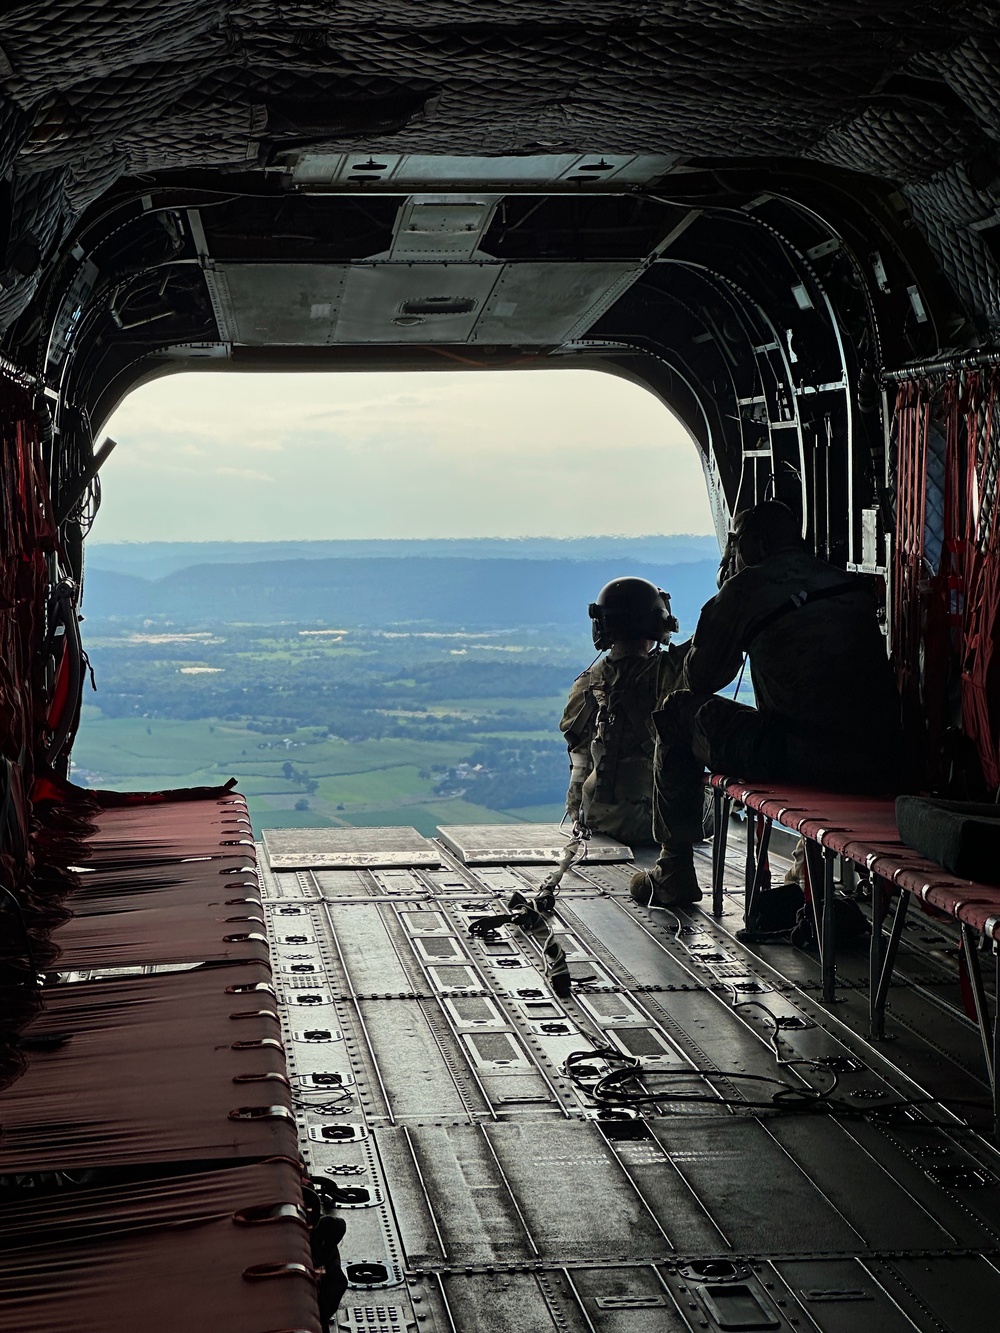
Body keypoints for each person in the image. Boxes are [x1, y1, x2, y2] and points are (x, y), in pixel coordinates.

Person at [631, 500, 903, 908]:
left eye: (735, 544)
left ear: (755, 545)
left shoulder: (747, 588)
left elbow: (699, 680)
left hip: (798, 754)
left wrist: (728, 594)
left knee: (676, 711)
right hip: (878, 760)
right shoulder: (844, 582)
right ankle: (802, 865)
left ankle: (673, 872)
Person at [560, 577, 689, 851]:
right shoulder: (667, 676)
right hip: (649, 824)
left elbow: (578, 753)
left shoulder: (585, 683)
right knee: (723, 808)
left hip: (587, 818)